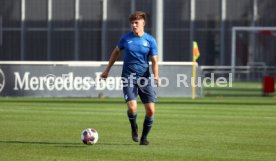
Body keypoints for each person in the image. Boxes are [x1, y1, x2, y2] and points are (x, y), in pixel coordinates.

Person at [100, 11, 159, 145]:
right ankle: (134, 127)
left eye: (136, 23)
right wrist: (107, 70)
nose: (134, 25)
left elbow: (154, 61)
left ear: (143, 23)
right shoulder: (125, 38)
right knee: (132, 108)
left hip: (145, 79)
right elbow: (116, 52)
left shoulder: (150, 40)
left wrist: (156, 75)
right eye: (132, 23)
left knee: (151, 111)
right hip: (128, 77)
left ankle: (144, 138)